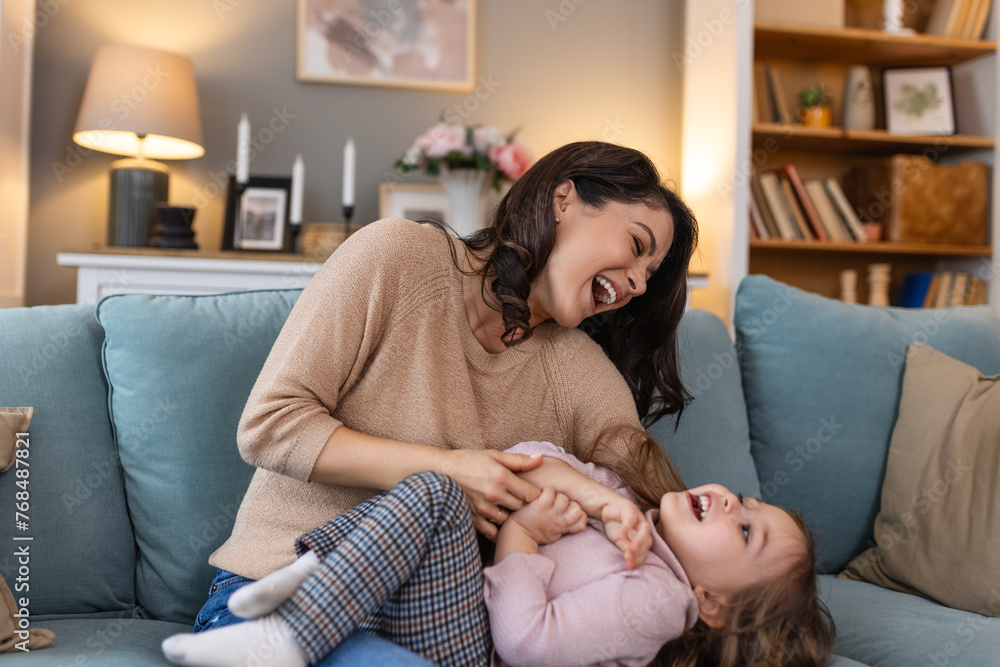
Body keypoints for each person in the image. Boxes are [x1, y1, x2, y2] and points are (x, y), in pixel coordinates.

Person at [190, 141, 699, 663]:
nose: (638, 283)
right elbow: (269, 426)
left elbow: (659, 519)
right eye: (637, 246)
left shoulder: (584, 375)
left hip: (432, 628)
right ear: (563, 199)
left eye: (650, 277)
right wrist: (451, 471)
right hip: (273, 596)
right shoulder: (397, 256)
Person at [162, 430, 834, 667]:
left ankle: (292, 633)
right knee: (444, 488)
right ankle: (307, 581)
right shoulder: (633, 517)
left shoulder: (660, 599)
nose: (729, 502)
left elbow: (525, 641)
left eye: (745, 531)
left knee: (436, 493)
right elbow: (524, 460)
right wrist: (605, 501)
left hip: (473, 649)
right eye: (746, 500)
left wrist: (523, 535)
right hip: (448, 615)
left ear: (713, 603)